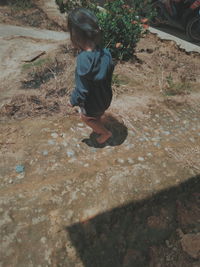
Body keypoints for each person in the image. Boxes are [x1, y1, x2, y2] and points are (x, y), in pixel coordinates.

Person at [68, 8, 114, 144]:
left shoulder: (83, 59)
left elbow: (82, 90)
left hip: (92, 101)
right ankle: (98, 124)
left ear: (75, 35)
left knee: (86, 118)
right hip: (105, 97)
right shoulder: (106, 53)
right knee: (96, 115)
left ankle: (105, 133)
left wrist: (72, 100)